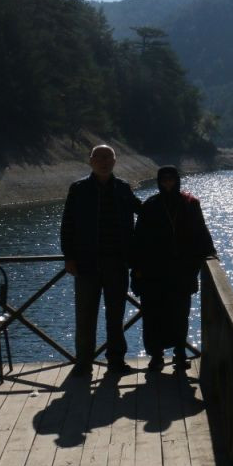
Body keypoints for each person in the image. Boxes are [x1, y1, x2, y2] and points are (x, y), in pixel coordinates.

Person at [60, 144, 141, 373]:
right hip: (86, 264)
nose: (104, 161)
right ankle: (83, 363)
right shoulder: (78, 189)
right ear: (91, 161)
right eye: (100, 157)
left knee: (115, 317)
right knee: (85, 317)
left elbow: (144, 212)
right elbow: (67, 225)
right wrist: (69, 257)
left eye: (108, 157)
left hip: (117, 263)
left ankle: (116, 361)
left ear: (115, 161)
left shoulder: (123, 188)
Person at [132, 165, 217, 372]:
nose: (168, 183)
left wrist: (211, 252)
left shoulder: (190, 204)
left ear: (177, 180)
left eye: (171, 179)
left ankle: (180, 353)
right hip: (153, 273)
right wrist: (135, 269)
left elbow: (201, 230)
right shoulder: (150, 205)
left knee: (180, 315)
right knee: (152, 316)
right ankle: (156, 356)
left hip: (181, 271)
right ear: (159, 181)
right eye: (164, 180)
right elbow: (138, 239)